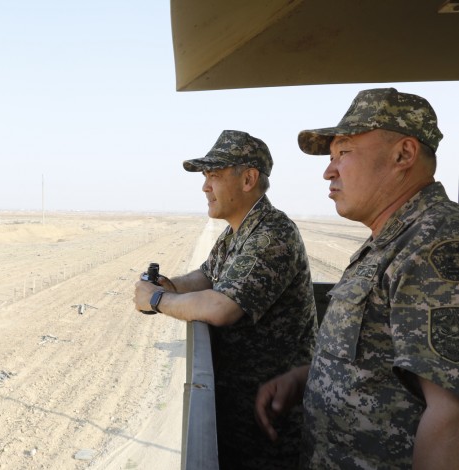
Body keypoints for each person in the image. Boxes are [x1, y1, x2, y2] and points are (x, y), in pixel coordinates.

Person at [255, 88, 459, 469]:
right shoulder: (392, 241)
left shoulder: (436, 242)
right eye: (331, 157)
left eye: (344, 152)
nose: (328, 171)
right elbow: (380, 361)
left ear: (404, 154)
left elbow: (450, 416)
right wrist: (305, 379)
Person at [133, 130, 318, 469]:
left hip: (272, 414)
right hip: (245, 405)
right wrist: (168, 285)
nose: (205, 187)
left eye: (214, 176)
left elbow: (222, 307)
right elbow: (205, 276)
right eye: (205, 177)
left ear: (248, 179)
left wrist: (157, 299)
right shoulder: (238, 232)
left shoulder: (272, 234)